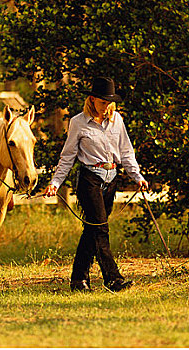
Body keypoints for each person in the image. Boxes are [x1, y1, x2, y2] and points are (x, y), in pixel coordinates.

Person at [45, 76, 148, 292]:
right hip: (89, 179)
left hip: (112, 179)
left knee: (91, 230)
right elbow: (68, 157)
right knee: (100, 228)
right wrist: (55, 183)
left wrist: (137, 177)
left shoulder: (117, 120)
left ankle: (78, 280)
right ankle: (113, 279)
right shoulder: (78, 123)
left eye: (109, 102)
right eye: (103, 102)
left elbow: (127, 151)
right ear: (92, 100)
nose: (106, 106)